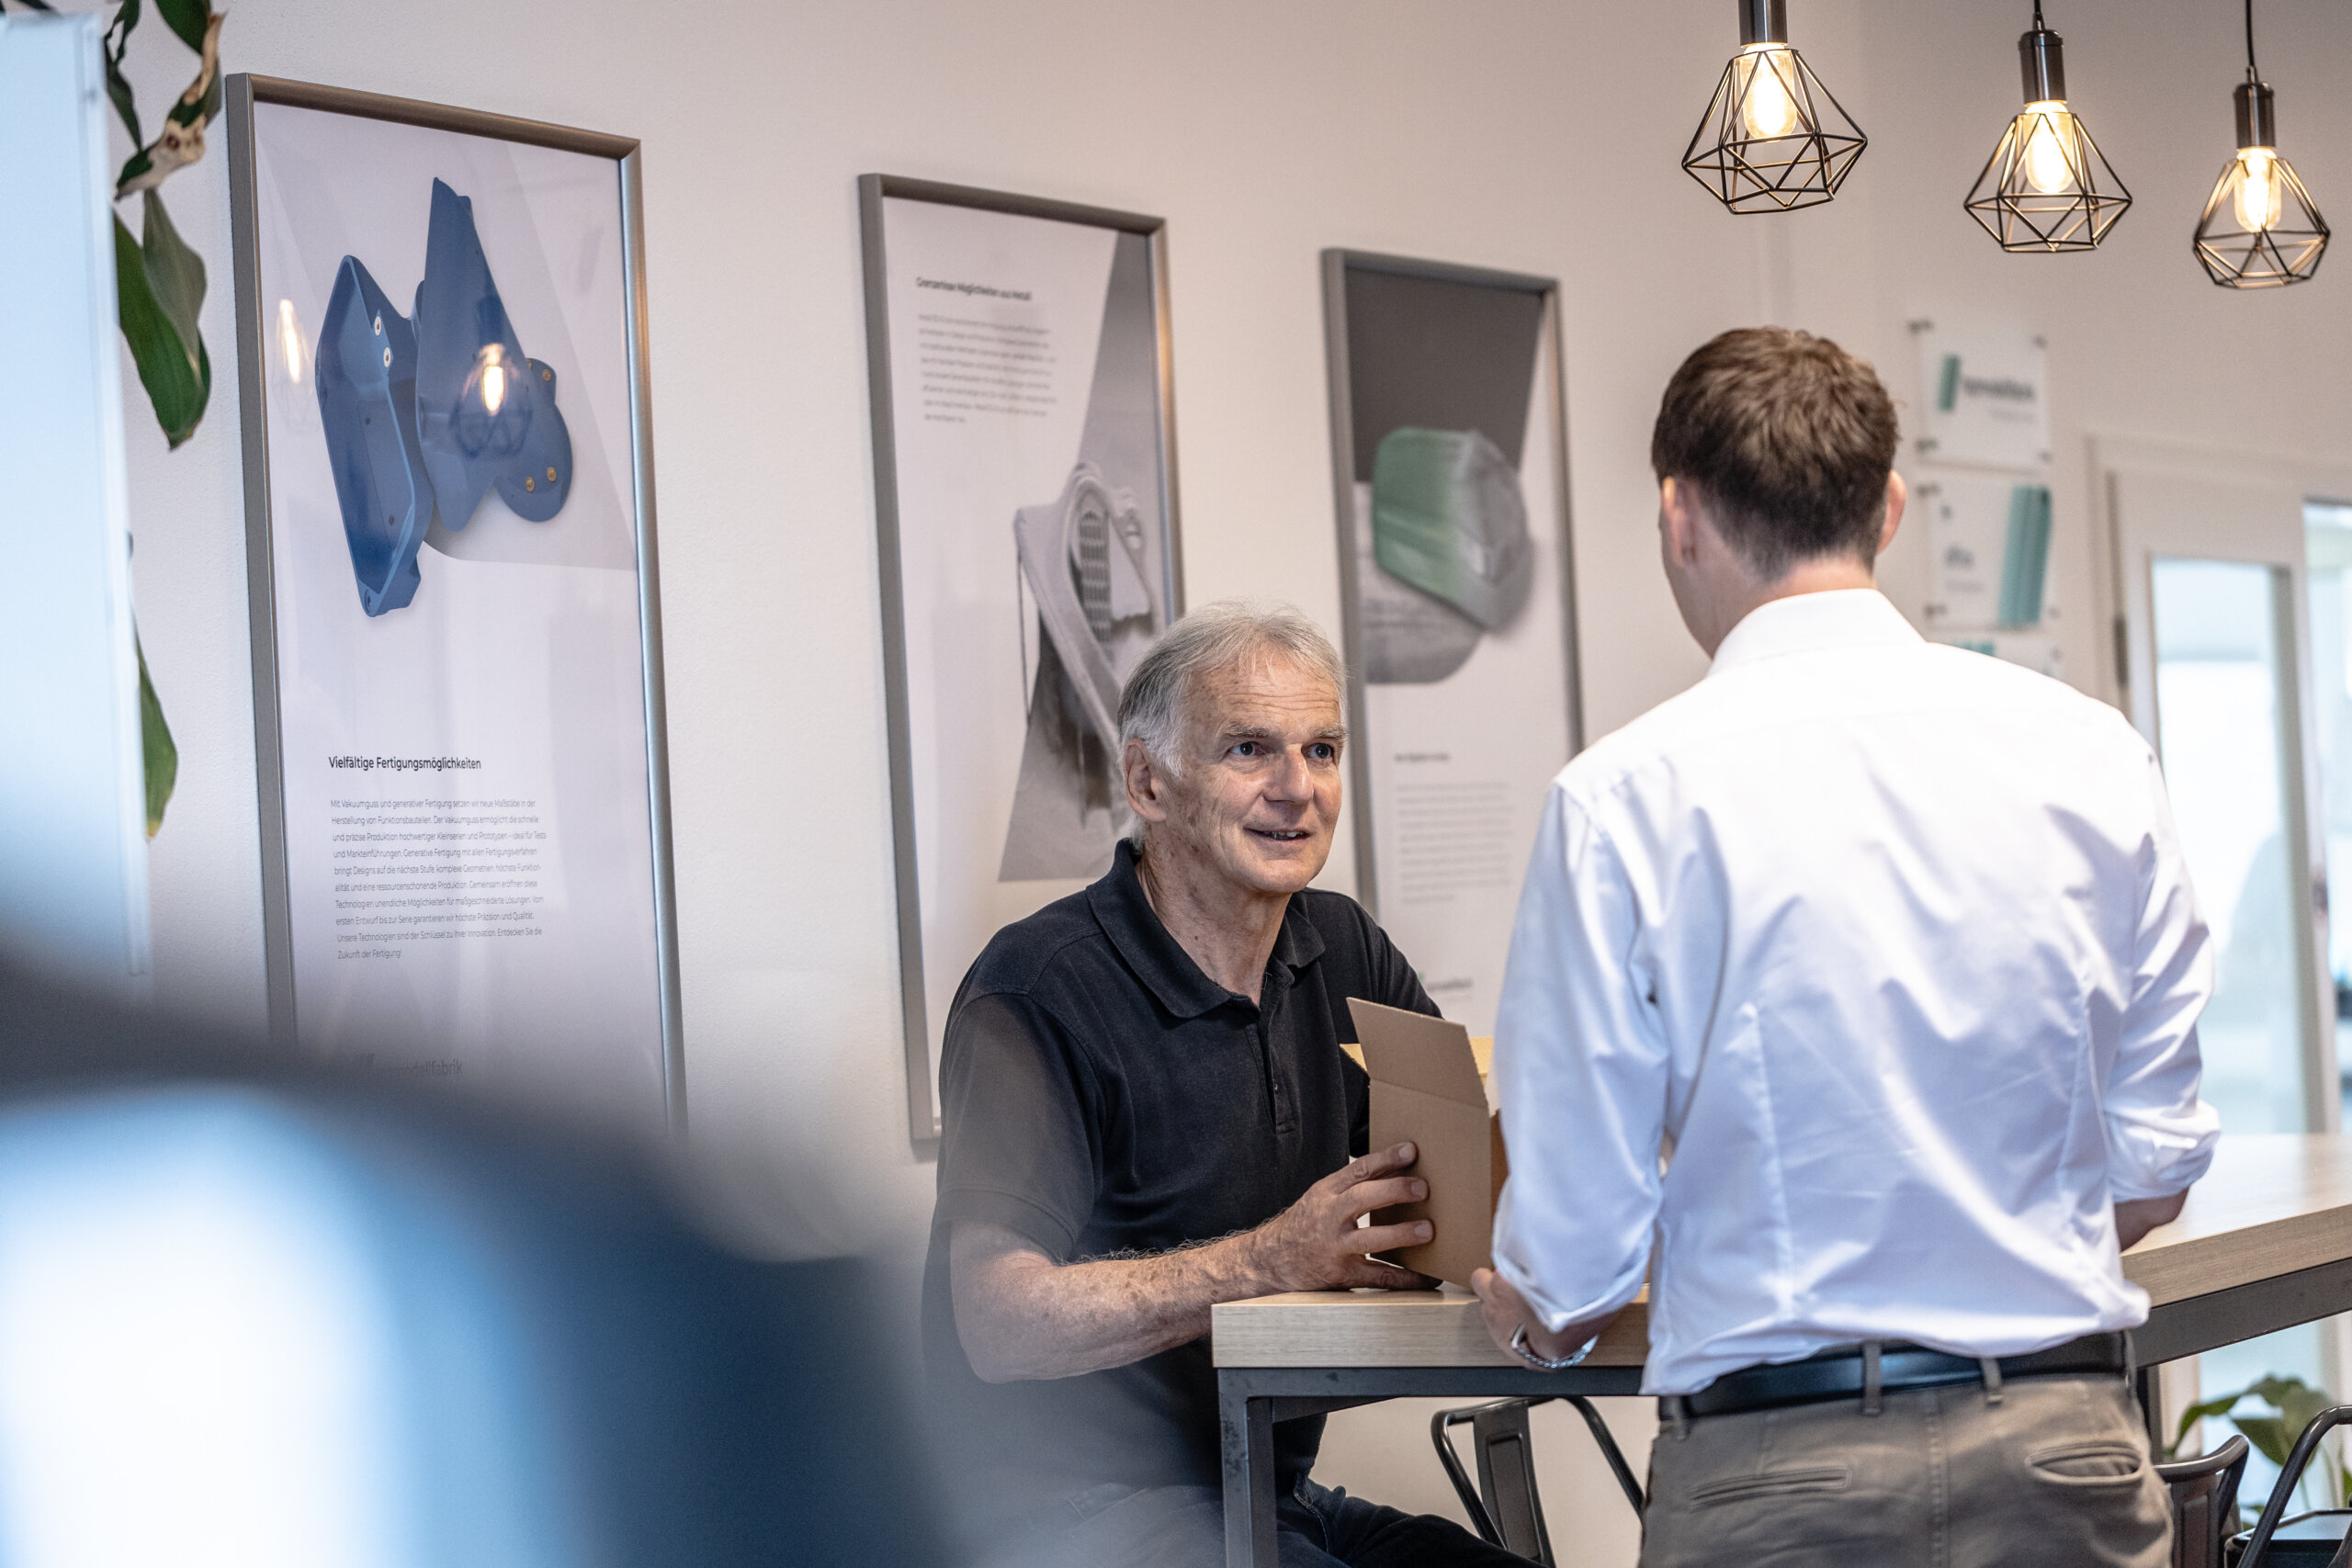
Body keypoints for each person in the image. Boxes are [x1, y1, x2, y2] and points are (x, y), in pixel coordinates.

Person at [1470, 327, 2219, 1567]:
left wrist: (1533, 1311)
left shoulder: (1624, 798)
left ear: (1678, 517)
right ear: (1890, 507)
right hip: (2066, 1452)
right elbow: (2152, 1173)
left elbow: (1578, 1255)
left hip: (1778, 1476)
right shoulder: (2095, 754)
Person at [922, 601, 1526, 1568]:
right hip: (1059, 1514)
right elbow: (997, 1323)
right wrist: (1266, 1260)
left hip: (1258, 1488)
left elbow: (1465, 1182)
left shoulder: (1343, 947)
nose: (1297, 788)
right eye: (1249, 749)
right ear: (1147, 782)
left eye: (1321, 750)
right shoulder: (1037, 989)